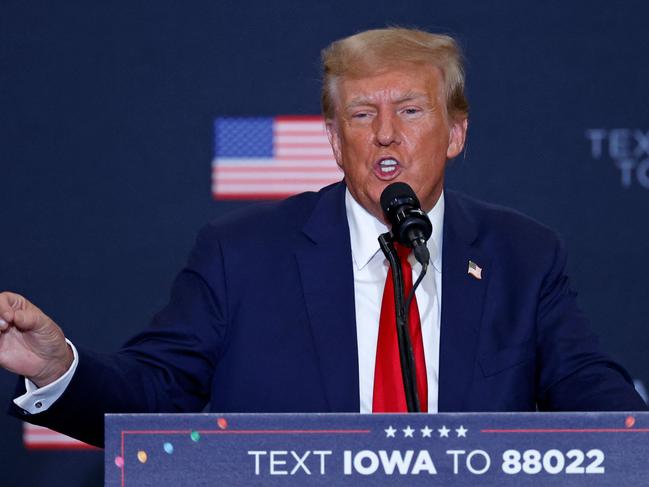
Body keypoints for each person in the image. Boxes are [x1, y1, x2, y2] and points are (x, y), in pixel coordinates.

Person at [1, 27, 646, 448]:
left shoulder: (521, 255)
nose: (386, 134)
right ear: (336, 142)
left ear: (455, 133)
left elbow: (599, 402)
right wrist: (61, 368)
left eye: (411, 111)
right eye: (363, 115)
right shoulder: (243, 253)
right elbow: (154, 391)